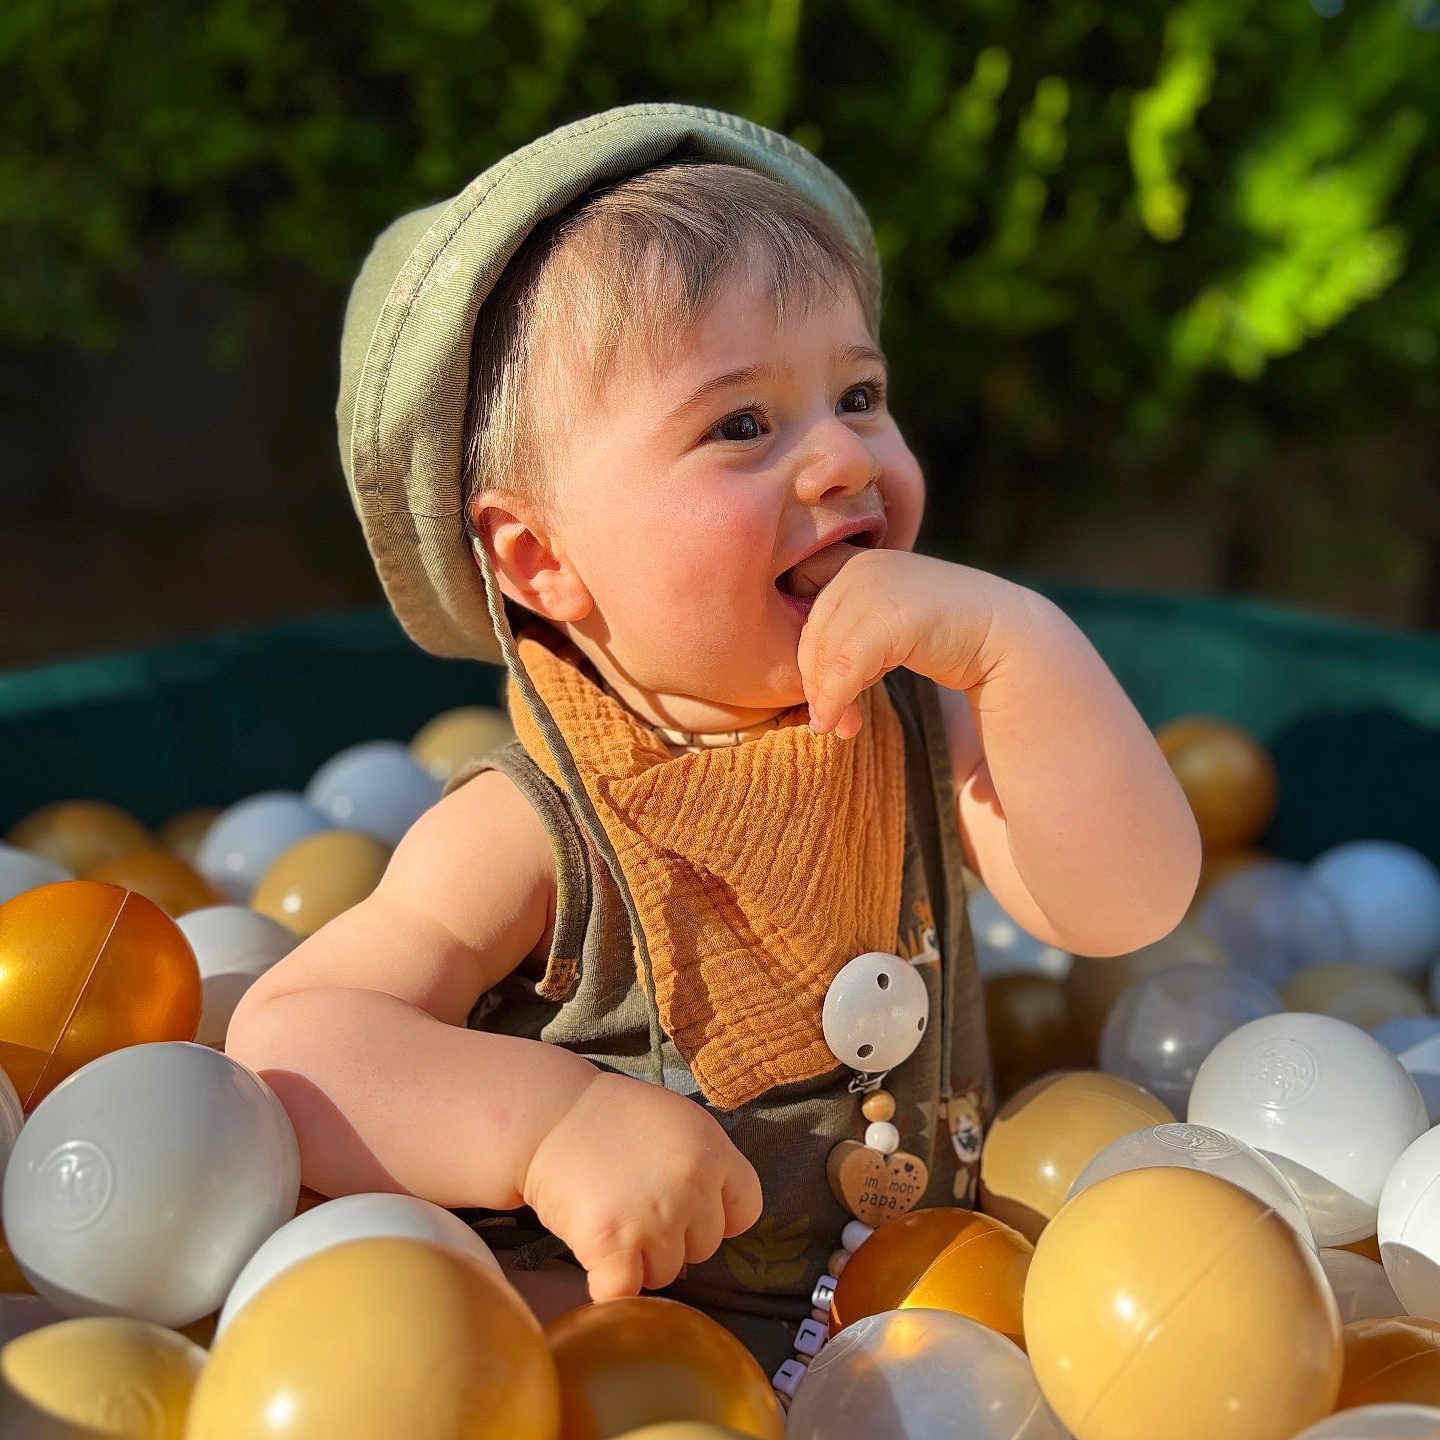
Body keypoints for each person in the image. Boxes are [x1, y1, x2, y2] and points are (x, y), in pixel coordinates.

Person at [226, 102, 1201, 1375]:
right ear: (540, 558)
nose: (842, 458)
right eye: (742, 425)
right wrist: (549, 1128)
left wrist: (1026, 648)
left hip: (938, 1339)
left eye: (859, 395)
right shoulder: (534, 829)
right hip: (645, 1360)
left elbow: (1125, 903)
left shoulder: (927, 710)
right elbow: (293, 1044)